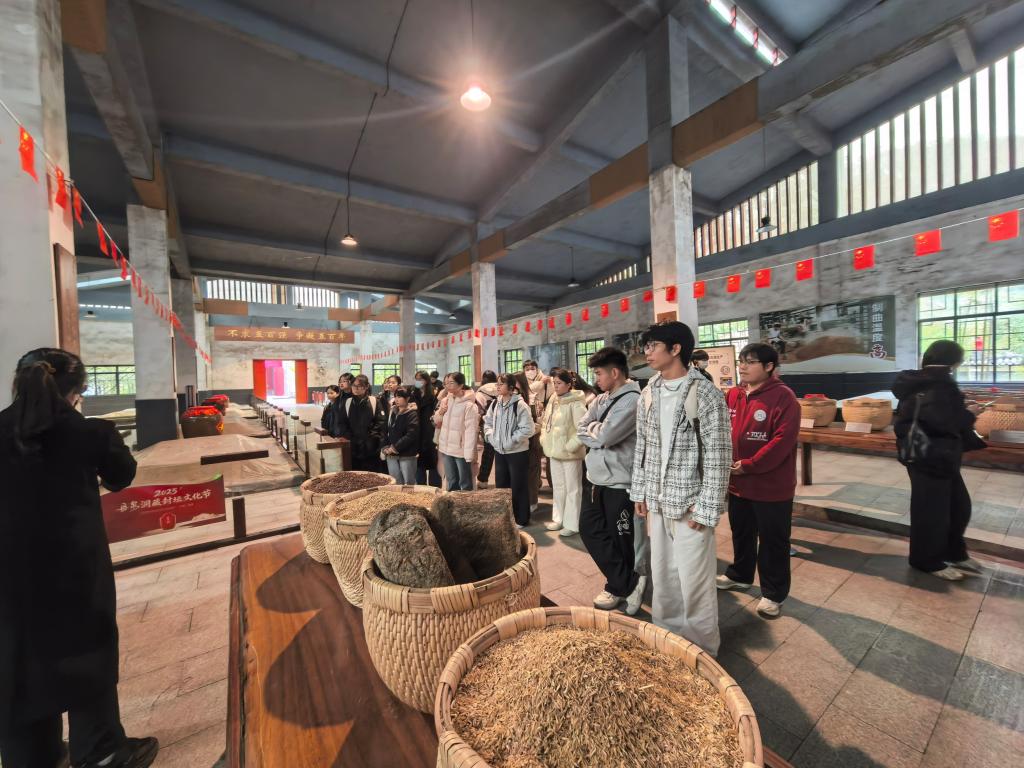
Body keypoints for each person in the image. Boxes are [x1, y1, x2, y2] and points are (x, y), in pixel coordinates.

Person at [0, 348, 159, 768]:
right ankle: (100, 749)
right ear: (77, 390)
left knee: (17, 657)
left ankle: (33, 754)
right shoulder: (90, 432)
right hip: (73, 566)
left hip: (9, 572)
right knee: (87, 648)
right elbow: (121, 475)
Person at [632, 322, 732, 656]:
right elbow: (643, 446)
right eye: (646, 346)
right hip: (659, 500)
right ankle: (667, 637)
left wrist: (707, 508)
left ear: (676, 349)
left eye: (653, 345)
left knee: (695, 581)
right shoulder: (649, 391)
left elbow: (718, 455)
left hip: (690, 503)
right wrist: (640, 491)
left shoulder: (704, 393)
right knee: (663, 575)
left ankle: (702, 649)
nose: (647, 352)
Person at [716, 343, 801, 618]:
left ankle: (773, 593)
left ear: (769, 367)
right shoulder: (734, 394)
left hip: (771, 486)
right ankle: (740, 575)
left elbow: (782, 441)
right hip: (738, 483)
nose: (742, 366)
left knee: (773, 541)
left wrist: (750, 465)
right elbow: (723, 429)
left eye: (749, 362)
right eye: (741, 361)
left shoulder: (784, 397)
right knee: (741, 533)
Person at [893, 340, 986, 581]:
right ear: (954, 360)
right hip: (931, 455)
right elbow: (944, 422)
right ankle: (926, 561)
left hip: (932, 454)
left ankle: (954, 553)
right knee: (931, 511)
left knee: (958, 506)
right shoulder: (940, 383)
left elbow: (931, 416)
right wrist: (970, 414)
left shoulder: (917, 381)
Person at [576, 348, 645, 614]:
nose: (596, 379)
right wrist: (597, 431)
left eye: (599, 373)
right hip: (595, 479)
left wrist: (594, 431)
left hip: (620, 481)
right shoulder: (601, 398)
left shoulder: (632, 400)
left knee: (621, 539)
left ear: (614, 372)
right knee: (589, 529)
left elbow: (606, 436)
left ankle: (617, 586)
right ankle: (628, 582)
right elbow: (581, 428)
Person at [540, 368, 587, 536]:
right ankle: (558, 518)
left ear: (569, 384)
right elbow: (546, 422)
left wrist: (570, 446)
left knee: (573, 489)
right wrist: (544, 439)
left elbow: (583, 429)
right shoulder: (553, 400)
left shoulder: (576, 403)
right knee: (559, 487)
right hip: (554, 451)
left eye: (559, 383)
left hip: (570, 454)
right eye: (554, 383)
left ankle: (572, 524)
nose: (556, 386)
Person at [483, 373, 536, 526]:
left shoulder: (520, 405)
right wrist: (491, 437)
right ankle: (506, 518)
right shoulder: (495, 403)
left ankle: (521, 519)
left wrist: (511, 441)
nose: (497, 386)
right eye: (497, 384)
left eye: (501, 384)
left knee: (518, 486)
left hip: (517, 453)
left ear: (511, 388)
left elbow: (528, 429)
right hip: (500, 451)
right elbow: (487, 422)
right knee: (502, 486)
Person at [434, 372, 479, 491]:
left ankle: (465, 503)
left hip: (461, 450)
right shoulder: (445, 401)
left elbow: (471, 431)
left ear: (460, 385)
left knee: (465, 483)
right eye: (446, 383)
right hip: (446, 448)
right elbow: (437, 421)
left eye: (451, 383)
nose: (447, 386)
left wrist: (469, 454)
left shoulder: (469, 405)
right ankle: (451, 502)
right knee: (451, 480)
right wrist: (441, 412)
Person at [336, 374, 385, 472]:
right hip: (353, 446)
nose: (356, 388)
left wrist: (371, 437)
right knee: (355, 473)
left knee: (371, 473)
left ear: (366, 387)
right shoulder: (347, 402)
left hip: (371, 446)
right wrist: (350, 438)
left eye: (359, 386)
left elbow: (381, 422)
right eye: (354, 385)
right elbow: (342, 423)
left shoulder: (374, 401)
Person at [523, 361, 551, 511]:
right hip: (529, 427)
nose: (530, 371)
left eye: (532, 368)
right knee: (533, 463)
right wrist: (540, 384)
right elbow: (529, 390)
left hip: (541, 424)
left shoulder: (547, 381)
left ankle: (534, 494)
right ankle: (536, 486)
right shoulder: (529, 382)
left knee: (536, 459)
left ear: (537, 368)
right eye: (527, 369)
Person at [382, 386, 420, 485]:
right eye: (395, 396)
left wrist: (394, 447)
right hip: (391, 454)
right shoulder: (393, 411)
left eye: (400, 397)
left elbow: (411, 435)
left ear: (407, 398)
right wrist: (385, 447)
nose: (397, 399)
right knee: (395, 482)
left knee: (409, 483)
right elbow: (387, 430)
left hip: (407, 454)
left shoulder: (412, 413)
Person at [413, 371, 443, 487]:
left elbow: (437, 413)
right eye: (416, 379)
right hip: (417, 432)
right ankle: (421, 488)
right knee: (419, 462)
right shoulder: (413, 394)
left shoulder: (434, 395)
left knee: (433, 460)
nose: (418, 382)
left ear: (426, 381)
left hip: (431, 431)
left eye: (420, 379)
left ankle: (435, 488)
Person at [475, 370, 499, 488]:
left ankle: (483, 480)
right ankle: (503, 480)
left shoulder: (481, 391)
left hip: (487, 424)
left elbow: (479, 410)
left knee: (488, 452)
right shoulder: (500, 387)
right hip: (502, 423)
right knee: (502, 452)